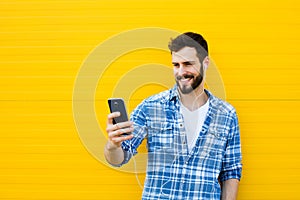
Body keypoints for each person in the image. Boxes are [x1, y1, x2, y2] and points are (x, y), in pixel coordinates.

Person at [104, 32, 242, 199]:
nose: (181, 72)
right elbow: (119, 158)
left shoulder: (226, 114)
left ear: (205, 63)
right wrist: (113, 146)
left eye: (188, 64)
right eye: (176, 65)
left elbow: (230, 172)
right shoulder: (151, 107)